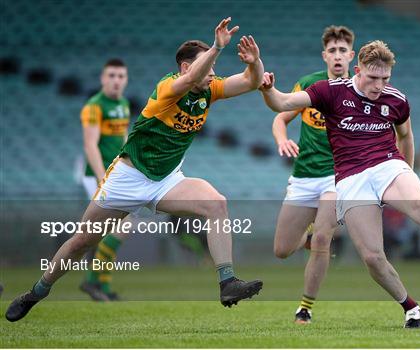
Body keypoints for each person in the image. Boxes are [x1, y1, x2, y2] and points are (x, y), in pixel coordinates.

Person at [6, 17, 264, 322]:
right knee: (82, 242)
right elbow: (191, 77)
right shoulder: (169, 86)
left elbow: (251, 81)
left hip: (166, 179)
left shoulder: (210, 89)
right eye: (208, 68)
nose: (213, 75)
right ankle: (38, 290)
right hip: (128, 178)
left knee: (217, 203)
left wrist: (255, 61)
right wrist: (218, 47)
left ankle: (227, 282)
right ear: (186, 68)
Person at [259, 40, 420, 328]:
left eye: (385, 78)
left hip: (388, 165)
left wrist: (407, 173)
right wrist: (266, 87)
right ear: (358, 70)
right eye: (373, 78)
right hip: (351, 180)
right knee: (373, 257)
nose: (379, 85)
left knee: (419, 207)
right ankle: (411, 308)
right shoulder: (331, 92)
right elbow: (282, 103)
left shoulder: (396, 99)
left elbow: (406, 136)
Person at [271, 25, 355, 324]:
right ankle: (305, 231)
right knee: (282, 250)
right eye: (332, 50)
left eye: (342, 50)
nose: (337, 56)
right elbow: (281, 118)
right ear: (324, 55)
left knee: (322, 238)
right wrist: (282, 139)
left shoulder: (359, 89)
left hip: (338, 177)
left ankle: (304, 308)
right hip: (304, 176)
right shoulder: (309, 84)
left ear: (351, 55)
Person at [79, 58, 131, 302]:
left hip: (117, 176)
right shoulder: (94, 106)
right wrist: (103, 179)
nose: (116, 80)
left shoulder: (123, 104)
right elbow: (90, 146)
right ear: (102, 78)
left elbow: (122, 141)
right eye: (111, 75)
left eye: (120, 76)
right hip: (98, 177)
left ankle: (100, 284)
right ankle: (94, 282)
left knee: (118, 230)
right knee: (114, 230)